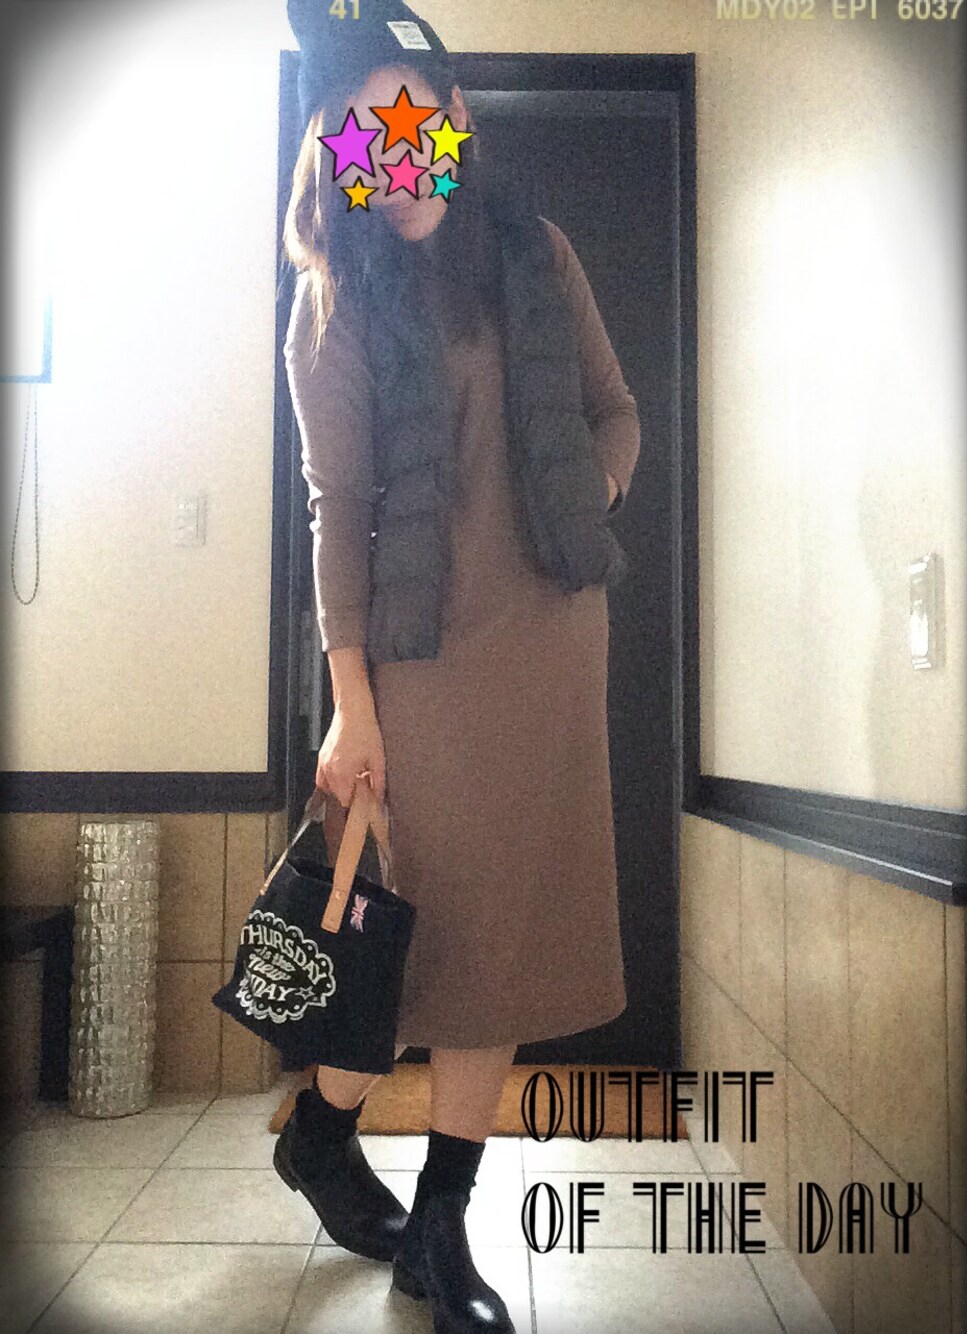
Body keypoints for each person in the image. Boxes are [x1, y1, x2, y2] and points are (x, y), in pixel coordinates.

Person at [276, 3, 641, 1330]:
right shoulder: (332, 302)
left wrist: (583, 501)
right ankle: (322, 1134)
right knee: (414, 946)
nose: (391, 146)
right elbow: (338, 511)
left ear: (454, 119)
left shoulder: (536, 252)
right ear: (338, 151)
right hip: (417, 666)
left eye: (409, 115)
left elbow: (614, 411)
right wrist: (351, 703)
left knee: (506, 948)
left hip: (550, 648)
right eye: (361, 128)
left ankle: (440, 1230)